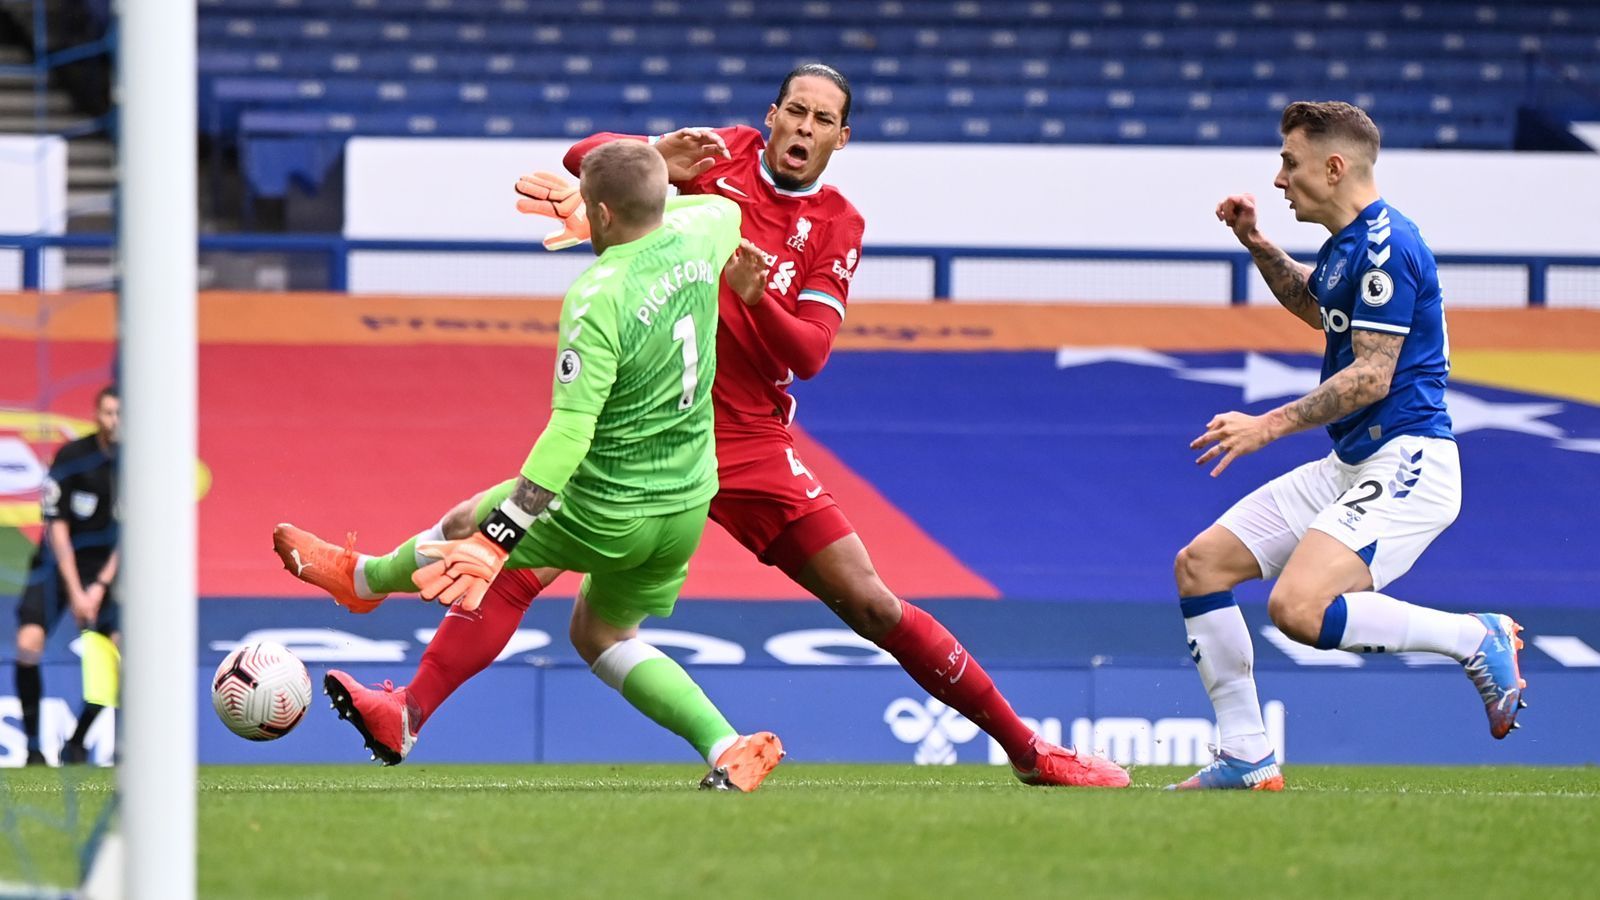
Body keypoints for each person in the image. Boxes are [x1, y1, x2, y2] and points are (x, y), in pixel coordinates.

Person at [279, 63, 1127, 788]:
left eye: (821, 119)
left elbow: (812, 353)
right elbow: (594, 164)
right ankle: (406, 704)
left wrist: (759, 302)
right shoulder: (723, 163)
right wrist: (656, 149)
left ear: (842, 139)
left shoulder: (835, 225)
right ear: (770, 116)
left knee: (868, 600)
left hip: (749, 438)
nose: (802, 126)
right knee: (518, 572)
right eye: (792, 110)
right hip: (649, 424)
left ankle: (1027, 749)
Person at [282, 141, 786, 791]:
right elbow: (696, 208)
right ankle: (727, 745)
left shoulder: (597, 295)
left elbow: (570, 432)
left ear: (600, 213)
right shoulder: (710, 225)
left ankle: (364, 580)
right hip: (687, 502)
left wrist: (500, 536)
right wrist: (640, 180)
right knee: (603, 633)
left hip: (608, 504)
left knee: (470, 524)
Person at [1170, 101, 1526, 791]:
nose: (1279, 179)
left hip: (1410, 460)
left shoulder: (1390, 244)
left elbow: (1371, 374)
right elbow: (1318, 305)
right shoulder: (1350, 244)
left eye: (1290, 162)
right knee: (1201, 567)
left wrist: (1266, 426)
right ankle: (1247, 756)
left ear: (1334, 168)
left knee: (1297, 609)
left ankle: (1474, 638)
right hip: (1355, 462)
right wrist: (1258, 243)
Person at [13, 385, 120, 766]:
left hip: (105, 571)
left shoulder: (138, 467)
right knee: (28, 644)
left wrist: (101, 586)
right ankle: (32, 747)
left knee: (119, 657)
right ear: (97, 415)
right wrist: (76, 591)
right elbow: (55, 527)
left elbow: (131, 535)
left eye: (121, 413)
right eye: (108, 412)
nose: (115, 421)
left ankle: (77, 740)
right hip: (57, 565)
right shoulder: (74, 457)